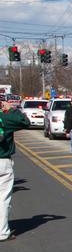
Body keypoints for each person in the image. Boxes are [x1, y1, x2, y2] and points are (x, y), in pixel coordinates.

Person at [0, 99, 30, 242]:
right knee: (3, 199)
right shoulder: (5, 118)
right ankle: (2, 232)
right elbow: (25, 122)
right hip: (2, 160)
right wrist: (11, 109)